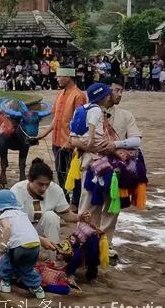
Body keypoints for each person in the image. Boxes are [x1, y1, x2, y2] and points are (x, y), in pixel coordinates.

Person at [72, 78, 143, 261]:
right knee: (88, 207)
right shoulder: (84, 112)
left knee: (112, 209)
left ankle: (104, 244)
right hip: (91, 167)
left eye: (121, 91)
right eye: (116, 90)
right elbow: (73, 140)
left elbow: (136, 140)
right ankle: (82, 242)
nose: (119, 94)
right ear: (105, 92)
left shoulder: (126, 115)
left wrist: (114, 145)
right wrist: (97, 147)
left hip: (117, 170)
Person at [10, 158, 81, 261]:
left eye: (47, 184)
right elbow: (15, 226)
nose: (44, 188)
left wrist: (80, 217)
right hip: (20, 234)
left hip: (39, 230)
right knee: (21, 259)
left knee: (51, 217)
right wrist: (38, 239)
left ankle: (53, 262)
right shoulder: (16, 191)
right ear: (30, 180)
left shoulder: (55, 189)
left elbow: (65, 215)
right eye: (40, 184)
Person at [37, 68, 87, 196]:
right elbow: (57, 119)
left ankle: (75, 201)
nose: (57, 79)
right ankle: (64, 200)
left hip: (70, 143)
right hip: (57, 141)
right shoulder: (60, 94)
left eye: (59, 76)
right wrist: (45, 133)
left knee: (73, 173)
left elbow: (79, 122)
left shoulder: (78, 95)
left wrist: (70, 141)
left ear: (68, 77)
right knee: (60, 172)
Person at [0, 190, 45, 299]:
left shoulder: (4, 215)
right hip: (35, 245)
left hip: (19, 245)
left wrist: (4, 244)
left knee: (8, 259)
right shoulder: (21, 214)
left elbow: (7, 228)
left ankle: (5, 283)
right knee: (27, 267)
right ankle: (37, 289)